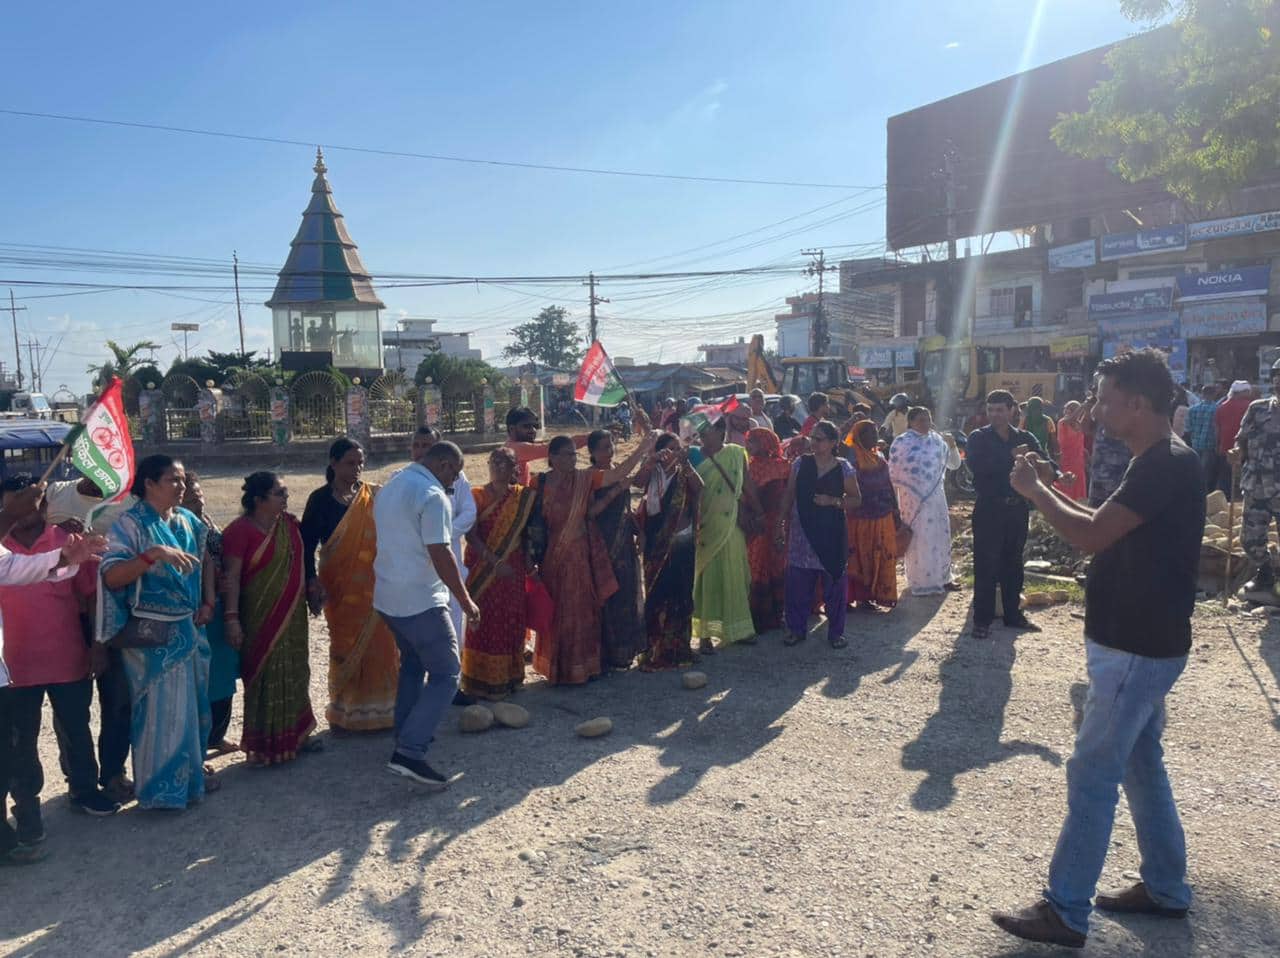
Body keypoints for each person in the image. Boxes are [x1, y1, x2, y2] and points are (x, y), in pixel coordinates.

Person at [994, 349, 1203, 949]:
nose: (1096, 410)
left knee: (1093, 772)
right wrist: (1046, 488)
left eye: (1106, 400)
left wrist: (1035, 491)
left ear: (1137, 404)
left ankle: (1065, 910)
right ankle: (1166, 887)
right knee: (1140, 763)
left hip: (1135, 645)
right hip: (1142, 642)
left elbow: (1088, 535)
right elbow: (1101, 522)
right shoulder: (1161, 460)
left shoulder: (1163, 464)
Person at [0, 476, 119, 841]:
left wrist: (97, 645)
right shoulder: (2, 548)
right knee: (20, 742)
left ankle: (83, 790)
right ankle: (27, 809)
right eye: (15, 502)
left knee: (76, 729)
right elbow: (17, 570)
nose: (25, 509)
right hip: (14, 666)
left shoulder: (67, 539)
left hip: (66, 656)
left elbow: (91, 596)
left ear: (42, 503)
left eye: (30, 500)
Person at [99, 455, 213, 810]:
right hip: (151, 635)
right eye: (172, 480)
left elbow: (205, 560)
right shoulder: (130, 524)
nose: (181, 486)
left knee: (191, 708)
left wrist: (208, 600)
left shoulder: (187, 520)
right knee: (159, 712)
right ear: (149, 483)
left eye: (182, 480)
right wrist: (153, 554)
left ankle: (189, 782)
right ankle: (160, 791)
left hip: (189, 628)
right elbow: (111, 576)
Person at [373, 440, 478, 789]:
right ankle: (410, 752)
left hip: (388, 597)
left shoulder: (393, 485)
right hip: (420, 601)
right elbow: (441, 553)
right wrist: (464, 599)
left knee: (414, 664)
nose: (454, 483)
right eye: (455, 475)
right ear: (444, 465)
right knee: (447, 673)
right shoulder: (433, 495)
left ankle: (406, 731)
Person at [532, 432, 655, 684]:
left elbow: (618, 474)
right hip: (551, 557)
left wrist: (643, 447)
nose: (572, 459)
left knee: (582, 609)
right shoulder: (539, 483)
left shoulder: (584, 479)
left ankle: (583, 667)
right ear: (552, 457)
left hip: (580, 554)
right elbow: (531, 522)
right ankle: (559, 669)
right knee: (558, 611)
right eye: (567, 454)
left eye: (574, 454)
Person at [43, 475, 134, 803]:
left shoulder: (128, 500)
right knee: (71, 707)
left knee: (118, 699)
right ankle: (78, 778)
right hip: (64, 619)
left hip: (112, 612)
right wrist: (58, 530)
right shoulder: (54, 493)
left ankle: (113, 772)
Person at [300, 439, 398, 732]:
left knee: (383, 644)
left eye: (360, 463)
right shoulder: (319, 500)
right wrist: (311, 581)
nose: (357, 469)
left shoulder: (373, 495)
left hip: (377, 584)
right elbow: (306, 545)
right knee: (344, 642)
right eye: (349, 463)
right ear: (333, 463)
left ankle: (383, 710)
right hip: (340, 585)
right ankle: (346, 712)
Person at [222, 472, 317, 766]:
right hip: (258, 617)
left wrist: (312, 592)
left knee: (296, 668)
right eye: (279, 493)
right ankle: (266, 745)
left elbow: (301, 565)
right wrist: (231, 618)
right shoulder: (239, 531)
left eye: (285, 493)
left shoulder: (290, 526)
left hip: (293, 615)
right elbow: (232, 577)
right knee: (263, 673)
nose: (286, 498)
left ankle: (297, 736)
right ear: (258, 499)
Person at [966, 391, 1054, 639]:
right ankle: (981, 620)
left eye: (1000, 410)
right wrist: (1012, 457)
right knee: (986, 564)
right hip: (989, 508)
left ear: (1012, 410)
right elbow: (978, 467)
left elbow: (1045, 461)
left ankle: (1013, 615)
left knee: (1013, 563)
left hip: (1017, 508)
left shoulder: (1025, 437)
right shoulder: (978, 437)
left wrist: (1052, 470)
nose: (995, 414)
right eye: (991, 410)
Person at [775, 420, 862, 649]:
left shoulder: (843, 468)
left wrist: (833, 501)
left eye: (819, 439)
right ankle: (796, 630)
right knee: (797, 585)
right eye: (812, 438)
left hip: (831, 534)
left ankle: (836, 633)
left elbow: (856, 499)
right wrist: (780, 523)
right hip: (802, 534)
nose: (813, 442)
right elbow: (789, 494)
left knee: (834, 585)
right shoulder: (800, 464)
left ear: (833, 443)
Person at [462, 448, 537, 698]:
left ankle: (511, 677)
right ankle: (480, 679)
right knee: (484, 619)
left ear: (515, 468)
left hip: (513, 569)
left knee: (512, 618)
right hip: (484, 568)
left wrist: (529, 565)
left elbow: (526, 536)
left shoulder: (523, 497)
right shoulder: (477, 495)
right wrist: (494, 562)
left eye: (504, 463)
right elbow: (471, 535)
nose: (497, 467)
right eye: (493, 462)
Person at [412, 427, 478, 705]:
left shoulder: (456, 477)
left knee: (452, 626)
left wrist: (443, 534)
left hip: (449, 563)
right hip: (417, 569)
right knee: (418, 631)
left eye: (427, 445)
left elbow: (469, 512)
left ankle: (452, 686)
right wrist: (430, 537)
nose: (421, 450)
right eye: (417, 445)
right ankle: (418, 687)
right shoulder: (402, 478)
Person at [181, 472, 239, 755]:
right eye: (191, 498)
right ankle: (198, 744)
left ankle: (217, 735)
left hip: (219, 610)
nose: (198, 501)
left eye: (199, 494)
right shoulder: (178, 528)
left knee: (223, 675)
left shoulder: (208, 523)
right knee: (199, 680)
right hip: (196, 610)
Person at [633, 433, 703, 669]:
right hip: (656, 542)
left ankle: (679, 649)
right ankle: (653, 650)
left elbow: (700, 488)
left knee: (681, 594)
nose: (674, 452)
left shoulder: (684, 473)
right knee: (657, 594)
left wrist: (687, 464)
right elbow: (637, 483)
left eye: (677, 448)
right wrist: (651, 460)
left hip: (682, 541)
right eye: (669, 448)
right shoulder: (653, 474)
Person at [693, 419, 761, 652]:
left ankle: (739, 630)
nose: (703, 434)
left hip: (732, 524)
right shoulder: (693, 456)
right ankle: (705, 636)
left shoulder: (735, 453)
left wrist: (759, 512)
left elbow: (747, 484)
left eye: (707, 430)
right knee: (707, 581)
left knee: (735, 576)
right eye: (701, 431)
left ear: (721, 431)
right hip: (706, 526)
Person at [586, 430, 647, 670]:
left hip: (623, 544)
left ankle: (625, 652)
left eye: (610, 446)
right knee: (606, 596)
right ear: (592, 452)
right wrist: (616, 489)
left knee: (626, 593)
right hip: (602, 545)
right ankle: (605, 654)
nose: (608, 451)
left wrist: (639, 531)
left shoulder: (618, 471)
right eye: (603, 447)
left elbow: (626, 509)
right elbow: (591, 512)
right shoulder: (590, 477)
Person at [1228, 359, 1280, 595]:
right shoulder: (1257, 409)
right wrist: (1238, 451)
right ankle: (1265, 575)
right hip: (1257, 486)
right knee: (1250, 539)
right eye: (1277, 380)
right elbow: (1242, 438)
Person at [845, 420, 898, 610]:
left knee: (881, 554)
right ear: (860, 438)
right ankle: (853, 596)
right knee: (859, 556)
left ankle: (871, 596)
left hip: (882, 516)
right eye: (871, 434)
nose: (876, 437)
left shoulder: (880, 460)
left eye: (876, 433)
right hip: (860, 518)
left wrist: (895, 510)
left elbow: (889, 486)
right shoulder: (852, 462)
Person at [745, 427, 791, 632]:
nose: (749, 445)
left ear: (766, 443)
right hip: (756, 524)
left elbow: (790, 495)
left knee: (777, 564)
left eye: (753, 441)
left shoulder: (783, 466)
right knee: (756, 564)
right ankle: (757, 617)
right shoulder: (748, 467)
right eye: (748, 441)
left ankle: (777, 613)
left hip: (777, 522)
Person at [504, 406, 588, 486]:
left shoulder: (510, 445)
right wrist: (591, 438)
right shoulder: (517, 449)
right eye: (527, 426)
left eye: (535, 426)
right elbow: (559, 446)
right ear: (512, 429)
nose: (533, 430)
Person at [1214, 379, 1254, 495]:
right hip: (1245, 449)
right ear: (1242, 392)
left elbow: (1217, 430)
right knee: (1245, 479)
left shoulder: (1221, 407)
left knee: (1225, 479)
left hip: (1225, 448)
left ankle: (1224, 501)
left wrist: (1217, 446)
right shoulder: (1250, 406)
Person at [1183, 384, 1221, 490]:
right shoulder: (1217, 409)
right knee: (1207, 473)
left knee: (1195, 470)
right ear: (1214, 394)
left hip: (1195, 444)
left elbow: (1188, 428)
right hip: (1210, 445)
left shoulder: (1192, 409)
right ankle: (1205, 493)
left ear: (1202, 394)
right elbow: (1217, 429)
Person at [1054, 402, 1089, 501]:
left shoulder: (1079, 424)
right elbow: (1071, 419)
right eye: (1072, 409)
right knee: (1066, 489)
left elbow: (1078, 442)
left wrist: (1086, 455)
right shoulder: (1062, 422)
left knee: (1078, 494)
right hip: (1066, 462)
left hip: (1079, 463)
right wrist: (1083, 406)